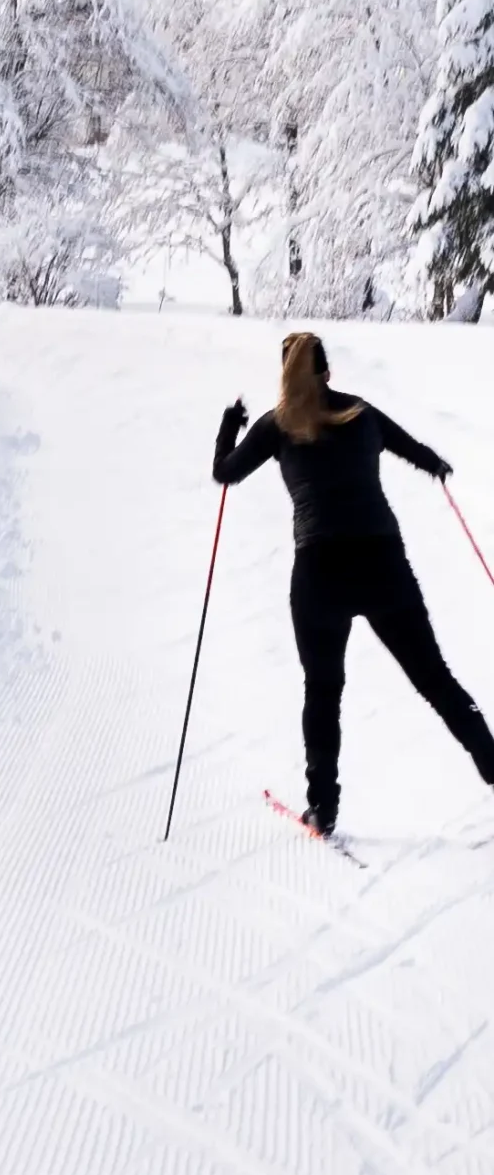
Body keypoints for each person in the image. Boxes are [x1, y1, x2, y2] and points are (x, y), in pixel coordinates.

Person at [213, 330, 494, 835]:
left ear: (285, 376)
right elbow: (415, 450)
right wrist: (437, 465)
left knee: (323, 690)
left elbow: (224, 473)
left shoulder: (275, 426)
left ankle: (323, 809)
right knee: (434, 677)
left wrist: (228, 425)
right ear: (328, 372)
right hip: (381, 562)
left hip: (319, 574)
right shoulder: (361, 411)